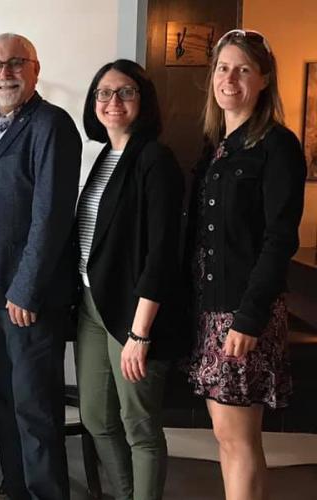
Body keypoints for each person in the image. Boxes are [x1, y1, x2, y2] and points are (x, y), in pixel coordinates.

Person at [186, 29, 306, 500]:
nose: (229, 79)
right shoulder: (216, 146)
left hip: (241, 313)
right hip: (211, 310)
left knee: (236, 439)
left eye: (243, 70)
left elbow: (280, 239)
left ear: (263, 79)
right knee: (231, 437)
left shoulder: (278, 145)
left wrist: (249, 317)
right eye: (222, 68)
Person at [0, 33, 82, 500]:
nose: (4, 73)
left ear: (36, 69)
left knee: (35, 409)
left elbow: (50, 216)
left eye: (15, 63)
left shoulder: (51, 125)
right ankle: (15, 487)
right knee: (9, 402)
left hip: (26, 300)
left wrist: (26, 289)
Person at [75, 59, 184, 500]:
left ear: (144, 100)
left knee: (139, 425)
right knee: (97, 419)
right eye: (103, 93)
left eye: (125, 92)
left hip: (133, 312)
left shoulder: (155, 159)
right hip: (91, 306)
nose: (112, 101)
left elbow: (162, 252)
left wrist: (141, 332)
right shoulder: (105, 156)